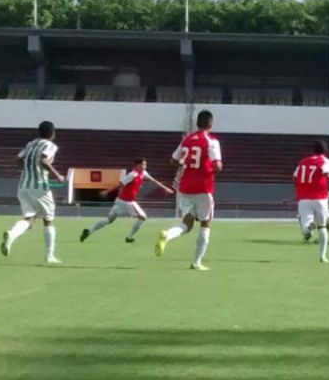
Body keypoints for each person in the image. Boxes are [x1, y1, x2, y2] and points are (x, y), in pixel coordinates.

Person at [155, 111, 222, 271]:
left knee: (187, 224)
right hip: (203, 189)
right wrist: (212, 168)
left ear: (197, 123)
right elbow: (217, 166)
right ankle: (196, 262)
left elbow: (173, 160)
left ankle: (167, 235)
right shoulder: (211, 141)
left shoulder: (186, 140)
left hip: (185, 188)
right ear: (210, 124)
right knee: (205, 224)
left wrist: (186, 164)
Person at [0, 121, 65, 264]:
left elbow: (17, 160)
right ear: (52, 133)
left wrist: (28, 171)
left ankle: (11, 235)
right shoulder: (50, 145)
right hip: (40, 187)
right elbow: (43, 160)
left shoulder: (31, 143)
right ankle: (50, 256)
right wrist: (58, 175)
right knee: (48, 219)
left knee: (29, 219)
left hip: (23, 186)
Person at [80, 158, 174, 244]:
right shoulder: (132, 175)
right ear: (137, 165)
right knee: (143, 217)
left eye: (145, 165)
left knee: (109, 220)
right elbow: (120, 184)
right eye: (143, 164)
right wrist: (107, 191)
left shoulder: (143, 173)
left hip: (120, 201)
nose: (145, 166)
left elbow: (153, 180)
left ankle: (89, 230)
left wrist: (164, 188)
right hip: (127, 201)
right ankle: (129, 237)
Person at [294, 141, 329, 263]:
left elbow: (295, 177)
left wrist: (300, 190)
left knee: (304, 226)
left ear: (313, 150)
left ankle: (308, 228)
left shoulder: (302, 162)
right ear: (325, 151)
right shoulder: (326, 161)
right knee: (322, 227)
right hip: (320, 198)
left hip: (304, 199)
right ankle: (323, 256)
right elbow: (328, 175)